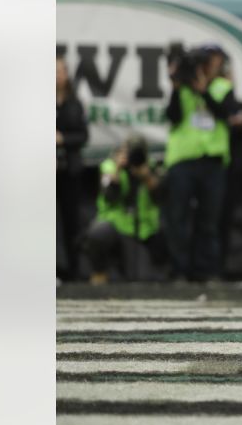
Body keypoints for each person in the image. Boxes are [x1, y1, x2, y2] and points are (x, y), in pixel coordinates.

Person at [162, 45, 237, 282]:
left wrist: (203, 91)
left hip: (212, 161)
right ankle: (179, 270)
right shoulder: (182, 87)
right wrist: (176, 87)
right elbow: (173, 116)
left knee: (209, 220)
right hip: (183, 159)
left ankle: (207, 270)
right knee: (178, 218)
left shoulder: (223, 87)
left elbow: (227, 113)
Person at [84, 135, 168, 284]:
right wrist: (118, 168)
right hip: (116, 224)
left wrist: (146, 176)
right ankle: (99, 271)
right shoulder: (110, 166)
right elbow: (109, 196)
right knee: (97, 233)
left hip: (142, 230)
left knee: (141, 279)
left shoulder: (150, 166)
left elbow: (160, 197)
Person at [56, 56, 89, 282]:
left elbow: (83, 135)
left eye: (61, 70)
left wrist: (63, 139)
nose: (58, 75)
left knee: (72, 221)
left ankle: (74, 269)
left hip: (69, 169)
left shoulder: (74, 103)